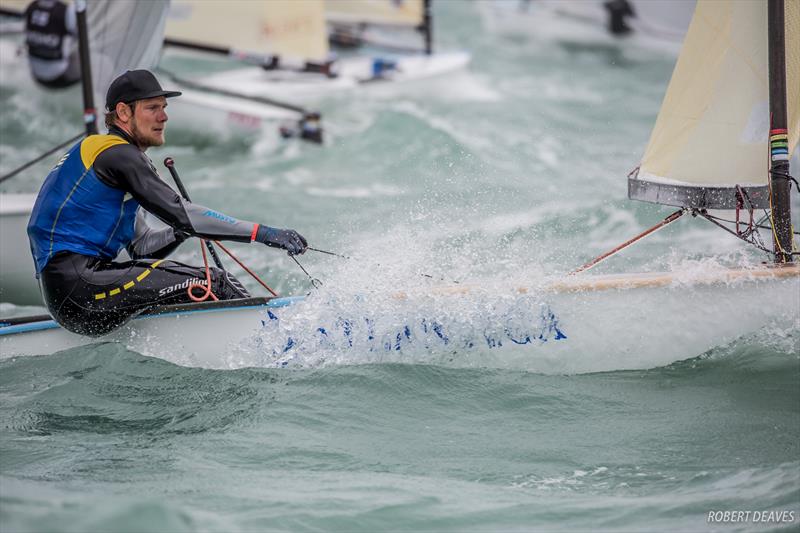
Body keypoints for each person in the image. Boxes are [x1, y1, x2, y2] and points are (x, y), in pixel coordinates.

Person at [27, 69, 308, 337]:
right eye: (152, 108)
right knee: (214, 282)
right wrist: (264, 233)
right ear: (124, 112)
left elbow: (142, 247)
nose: (164, 117)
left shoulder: (106, 158)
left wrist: (180, 230)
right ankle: (269, 338)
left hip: (73, 295)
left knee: (205, 283)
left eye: (164, 107)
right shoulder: (117, 155)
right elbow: (181, 213)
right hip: (81, 290)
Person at [24, 0, 81, 88]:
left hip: (35, 75)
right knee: (102, 60)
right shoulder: (67, 11)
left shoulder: (31, 6)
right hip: (59, 77)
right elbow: (85, 36)